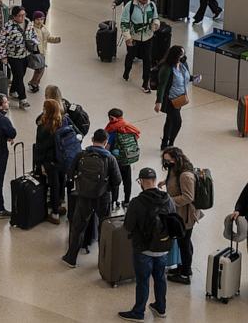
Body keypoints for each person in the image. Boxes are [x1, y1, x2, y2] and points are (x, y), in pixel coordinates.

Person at [118, 167, 175, 321]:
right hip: (163, 249)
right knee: (160, 278)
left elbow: (128, 226)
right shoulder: (168, 199)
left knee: (143, 281)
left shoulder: (137, 202)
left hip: (143, 250)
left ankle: (138, 312)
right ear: (155, 180)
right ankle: (160, 307)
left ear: (141, 182)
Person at [61, 129, 122, 268]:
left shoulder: (81, 155)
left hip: (83, 196)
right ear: (106, 142)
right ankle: (103, 261)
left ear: (92, 139)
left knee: (78, 227)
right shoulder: (110, 158)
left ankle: (71, 258)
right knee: (104, 229)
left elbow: (70, 173)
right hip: (102, 197)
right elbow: (117, 180)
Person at [160, 146, 203, 284]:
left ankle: (185, 274)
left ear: (175, 159)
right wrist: (165, 182)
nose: (166, 163)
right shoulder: (176, 168)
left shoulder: (185, 175)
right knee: (183, 242)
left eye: (168, 160)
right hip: (179, 213)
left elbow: (188, 197)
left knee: (184, 243)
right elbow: (174, 181)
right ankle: (184, 267)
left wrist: (169, 201)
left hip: (186, 216)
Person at [155, 46, 199, 150]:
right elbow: (162, 85)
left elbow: (185, 77)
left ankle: (165, 143)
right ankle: (171, 144)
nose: (184, 56)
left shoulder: (183, 64)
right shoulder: (167, 68)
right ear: (175, 56)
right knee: (177, 122)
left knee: (170, 120)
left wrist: (193, 78)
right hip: (170, 100)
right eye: (181, 54)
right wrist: (158, 102)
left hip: (180, 99)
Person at [36, 98, 70, 225]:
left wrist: (39, 164)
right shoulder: (63, 121)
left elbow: (40, 147)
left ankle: (54, 213)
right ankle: (60, 205)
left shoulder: (43, 126)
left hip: (50, 161)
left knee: (53, 186)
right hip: (63, 158)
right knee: (62, 182)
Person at [121, 0, 159, 94]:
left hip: (148, 37)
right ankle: (126, 71)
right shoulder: (130, 6)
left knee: (147, 59)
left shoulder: (151, 5)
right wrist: (127, 37)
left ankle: (145, 82)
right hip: (134, 37)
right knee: (131, 55)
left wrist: (156, 24)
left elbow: (156, 17)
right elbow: (124, 22)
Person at [0, 6, 36, 107]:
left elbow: (33, 35)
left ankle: (13, 90)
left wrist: (34, 43)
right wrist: (3, 57)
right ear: (14, 16)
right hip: (13, 56)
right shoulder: (8, 27)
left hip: (25, 54)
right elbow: (1, 42)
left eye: (24, 15)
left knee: (20, 75)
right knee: (19, 76)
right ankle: (23, 99)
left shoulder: (28, 23)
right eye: (20, 16)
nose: (22, 17)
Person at [105, 108, 141, 209]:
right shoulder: (128, 127)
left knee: (115, 181)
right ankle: (126, 201)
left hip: (115, 161)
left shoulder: (113, 130)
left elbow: (108, 146)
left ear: (112, 118)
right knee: (127, 180)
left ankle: (114, 201)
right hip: (127, 159)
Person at [26, 11, 59, 93]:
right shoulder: (32, 29)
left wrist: (55, 39)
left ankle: (36, 83)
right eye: (37, 19)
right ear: (34, 20)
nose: (40, 21)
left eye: (41, 19)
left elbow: (47, 38)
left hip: (42, 52)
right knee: (39, 68)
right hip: (36, 52)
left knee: (41, 68)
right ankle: (33, 82)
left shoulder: (43, 28)